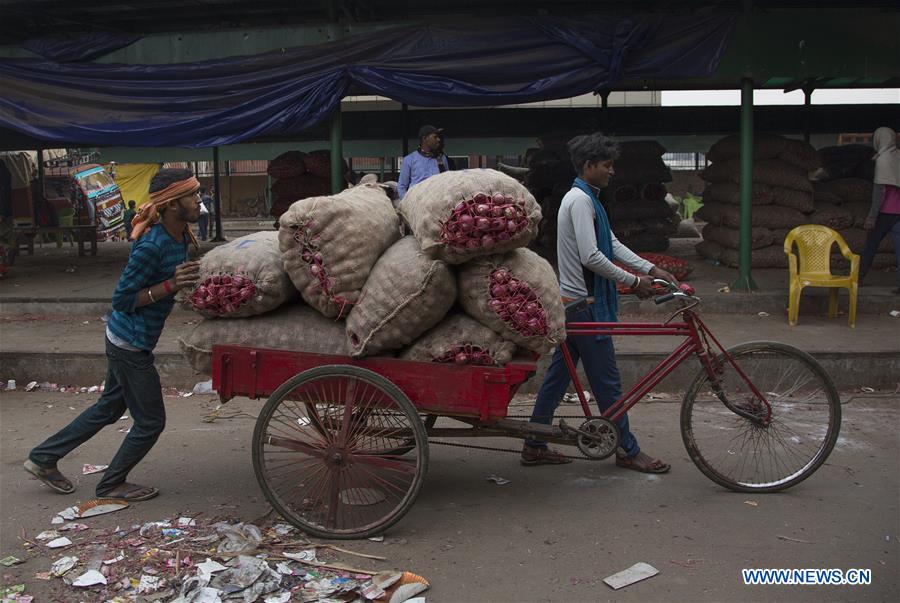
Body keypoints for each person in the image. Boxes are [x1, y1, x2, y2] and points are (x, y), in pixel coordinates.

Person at [24, 168, 202, 501]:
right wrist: (171, 285)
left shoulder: (181, 237)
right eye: (192, 195)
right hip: (130, 343)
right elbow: (121, 299)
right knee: (150, 422)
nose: (199, 199)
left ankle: (43, 458)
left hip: (129, 339)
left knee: (108, 409)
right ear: (172, 202)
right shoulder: (152, 245)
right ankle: (111, 484)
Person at [522, 132, 678, 473]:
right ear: (589, 165)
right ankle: (627, 450)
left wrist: (651, 268)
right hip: (585, 304)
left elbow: (610, 243)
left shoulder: (589, 199)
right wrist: (635, 282)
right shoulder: (579, 200)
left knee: (557, 379)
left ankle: (534, 443)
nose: (612, 172)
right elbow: (592, 256)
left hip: (576, 305)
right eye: (606, 165)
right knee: (607, 384)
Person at [859, 126, 900, 293]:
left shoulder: (882, 161)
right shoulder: (898, 156)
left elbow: (879, 193)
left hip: (884, 214)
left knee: (870, 246)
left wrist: (871, 217)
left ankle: (858, 277)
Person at [398, 125, 449, 198]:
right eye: (435, 137)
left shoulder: (442, 159)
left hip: (437, 204)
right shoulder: (409, 160)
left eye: (438, 137)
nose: (438, 140)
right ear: (424, 138)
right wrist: (408, 205)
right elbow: (401, 187)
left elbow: (447, 183)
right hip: (416, 204)